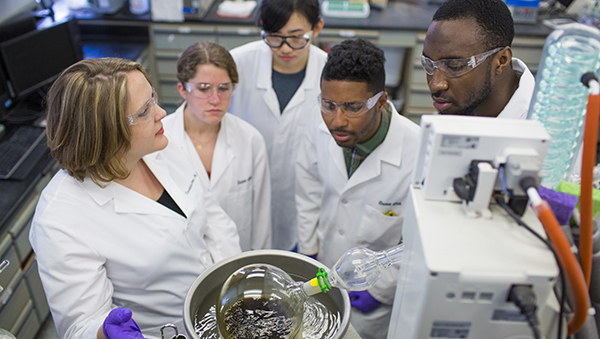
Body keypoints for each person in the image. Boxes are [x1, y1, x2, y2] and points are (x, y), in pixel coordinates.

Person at [29, 57, 241, 339]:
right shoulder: (60, 218)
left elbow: (212, 215)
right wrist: (103, 333)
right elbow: (80, 325)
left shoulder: (161, 147)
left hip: (224, 310)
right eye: (144, 111)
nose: (161, 113)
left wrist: (235, 284)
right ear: (105, 131)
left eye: (152, 98)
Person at [295, 39, 421, 339]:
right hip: (322, 269)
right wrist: (308, 248)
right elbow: (308, 186)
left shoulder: (418, 154)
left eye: (352, 107)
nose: (337, 120)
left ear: (380, 101)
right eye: (329, 105)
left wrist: (382, 289)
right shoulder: (318, 123)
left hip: (374, 302)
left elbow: (419, 240)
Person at [228, 0, 327, 251]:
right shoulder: (237, 64)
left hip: (303, 197)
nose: (285, 48)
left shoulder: (330, 72)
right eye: (274, 37)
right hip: (241, 188)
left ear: (317, 29)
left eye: (296, 38)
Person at [163, 41, 271, 252]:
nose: (215, 99)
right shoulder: (160, 141)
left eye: (224, 88)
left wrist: (261, 265)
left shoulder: (250, 140)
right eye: (204, 89)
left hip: (238, 260)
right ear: (182, 89)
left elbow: (261, 220)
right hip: (182, 261)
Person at [422, 0, 534, 118]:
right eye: (429, 64)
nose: (434, 85)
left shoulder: (537, 126)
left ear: (501, 61)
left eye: (454, 66)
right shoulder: (464, 104)